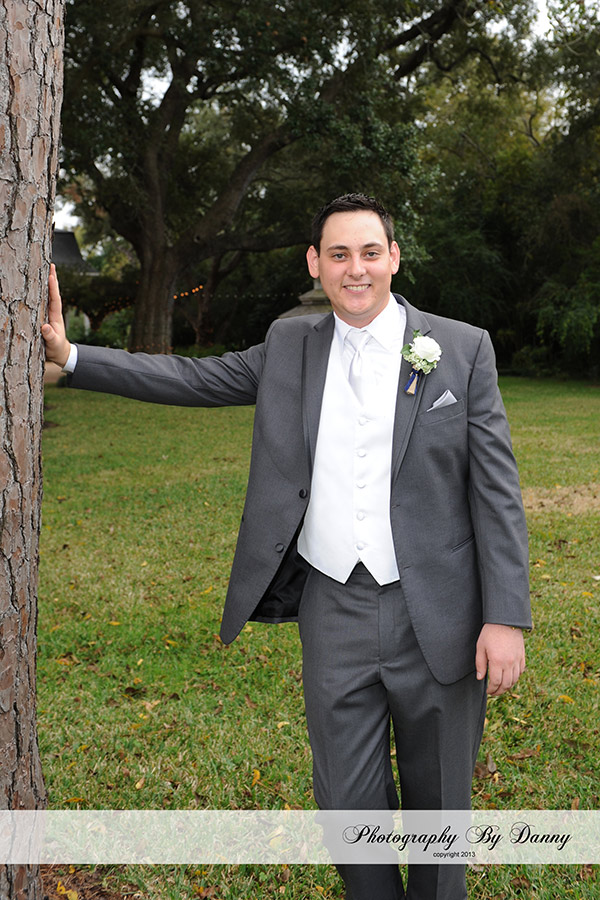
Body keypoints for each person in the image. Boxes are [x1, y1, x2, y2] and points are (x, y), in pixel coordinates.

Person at [43, 193, 531, 900]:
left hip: (441, 610)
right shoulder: (289, 346)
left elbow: (496, 492)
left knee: (440, 804)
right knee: (346, 803)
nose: (356, 269)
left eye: (370, 252)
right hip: (333, 608)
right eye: (339, 254)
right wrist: (73, 358)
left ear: (394, 258)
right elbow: (192, 378)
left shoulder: (461, 348)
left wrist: (506, 615)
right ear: (315, 263)